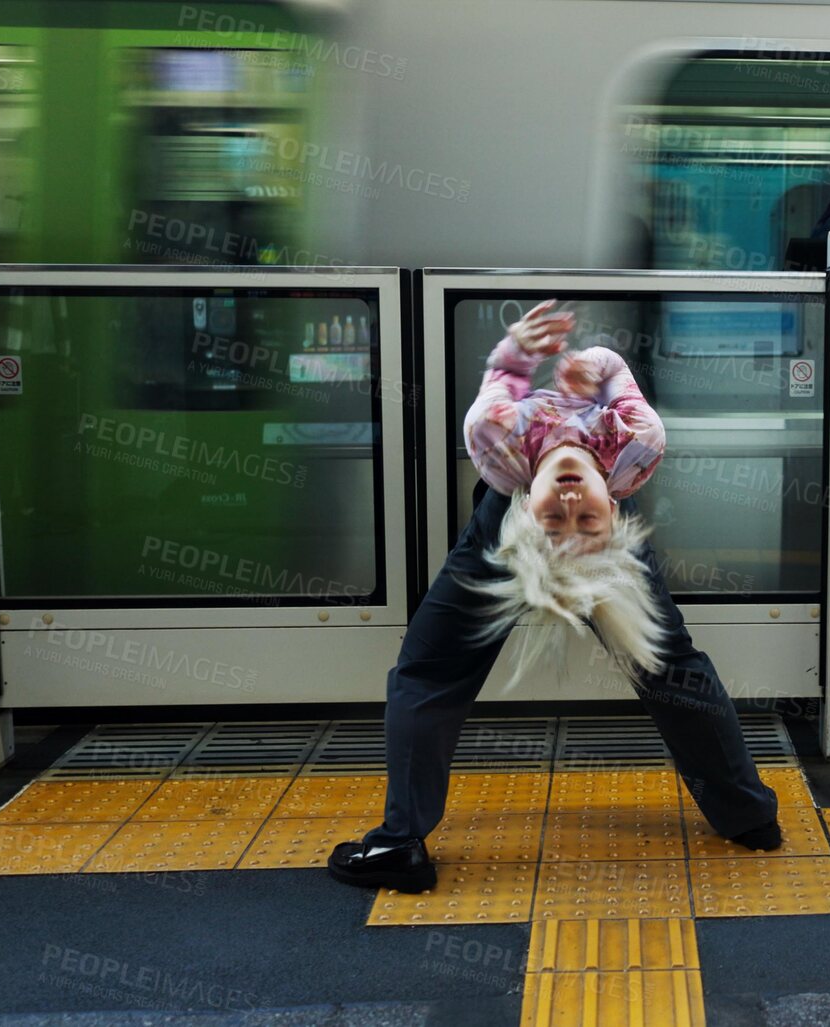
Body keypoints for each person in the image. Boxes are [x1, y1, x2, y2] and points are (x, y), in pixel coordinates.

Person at [329, 300, 781, 893]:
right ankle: (748, 816)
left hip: (516, 500)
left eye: (557, 519)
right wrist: (591, 369)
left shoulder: (496, 442)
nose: (569, 506)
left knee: (430, 670)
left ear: (527, 517)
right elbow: (615, 369)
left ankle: (396, 845)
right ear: (611, 516)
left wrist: (519, 351)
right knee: (670, 666)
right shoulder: (636, 445)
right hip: (595, 491)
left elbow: (502, 380)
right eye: (582, 520)